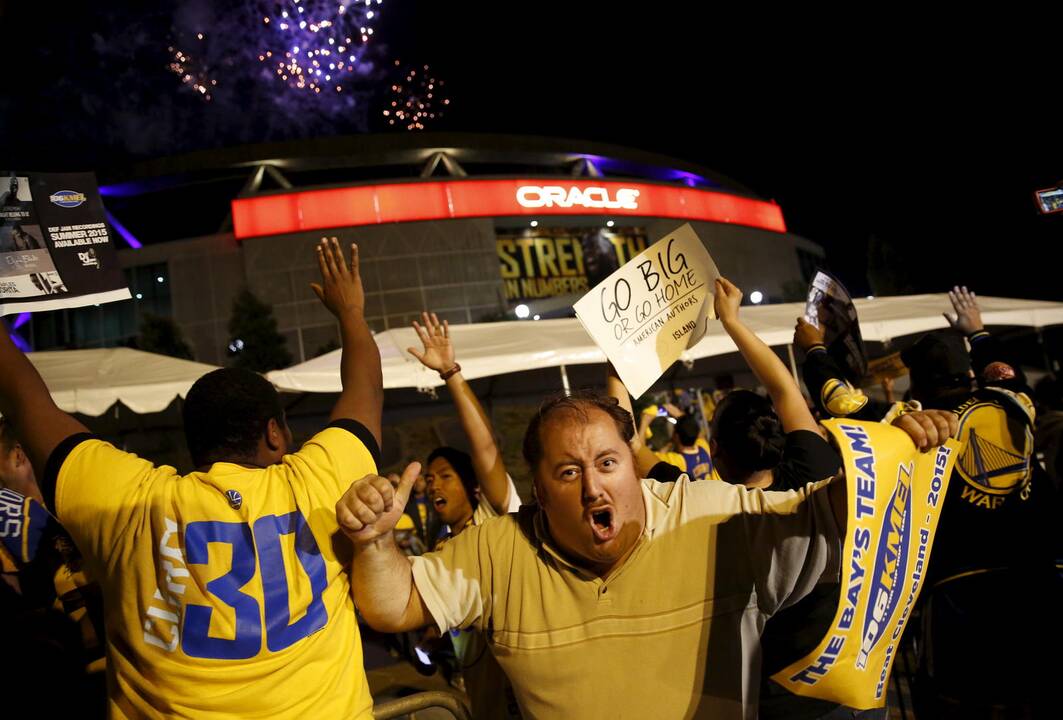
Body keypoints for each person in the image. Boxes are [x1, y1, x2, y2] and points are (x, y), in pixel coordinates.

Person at [340, 278, 909, 718]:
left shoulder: (710, 514)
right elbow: (393, 604)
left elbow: (846, 519)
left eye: (607, 463)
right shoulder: (497, 550)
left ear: (635, 469)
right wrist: (373, 540)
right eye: (568, 472)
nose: (593, 487)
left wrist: (898, 447)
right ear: (538, 491)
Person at [0, 237, 383, 718]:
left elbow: (25, 400)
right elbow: (365, 387)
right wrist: (350, 311)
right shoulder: (321, 480)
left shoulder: (130, 503)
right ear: (273, 434)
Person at [903, 287, 1062, 717]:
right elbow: (1011, 376)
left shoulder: (917, 429)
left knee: (966, 704)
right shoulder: (1010, 403)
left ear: (919, 380)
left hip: (960, 597)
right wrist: (977, 332)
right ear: (969, 375)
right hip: (1037, 582)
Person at [406, 310, 523, 718]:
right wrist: (436, 636)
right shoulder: (441, 549)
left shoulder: (497, 513)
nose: (434, 485)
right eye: (431, 479)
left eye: (445, 476)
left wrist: (450, 373)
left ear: (474, 487)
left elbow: (486, 447)